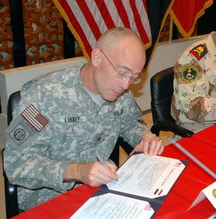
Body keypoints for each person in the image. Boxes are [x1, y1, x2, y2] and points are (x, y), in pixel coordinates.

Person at [4, 27, 164, 211]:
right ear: (96, 57)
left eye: (134, 77)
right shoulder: (43, 94)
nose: (125, 85)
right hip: (48, 198)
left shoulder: (121, 92)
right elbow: (15, 163)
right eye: (122, 73)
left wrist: (144, 137)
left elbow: (129, 123)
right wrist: (77, 171)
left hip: (101, 189)